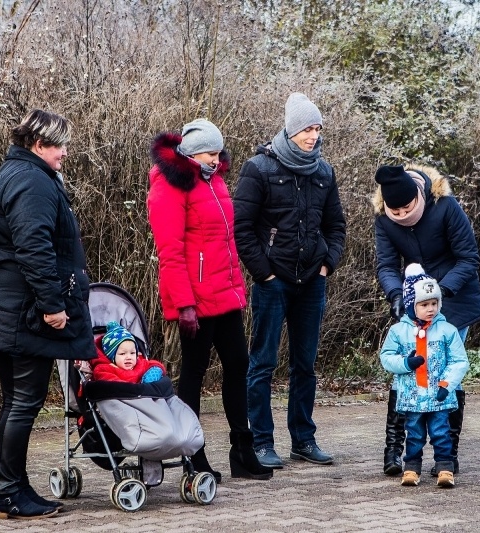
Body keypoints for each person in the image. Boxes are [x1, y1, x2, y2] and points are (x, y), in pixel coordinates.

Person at [0, 109, 96, 520]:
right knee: (24, 401)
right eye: (60, 145)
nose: (65, 153)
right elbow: (34, 247)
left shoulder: (20, 173)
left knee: (17, 401)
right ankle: (8, 492)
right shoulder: (32, 180)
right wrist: (53, 306)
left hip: (12, 305)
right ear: (39, 144)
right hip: (24, 310)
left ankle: (11, 489)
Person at [146, 118, 273, 482]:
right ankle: (193, 456)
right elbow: (170, 252)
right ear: (189, 152)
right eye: (208, 153)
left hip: (225, 294)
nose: (216, 160)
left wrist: (237, 288)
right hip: (195, 301)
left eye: (218, 153)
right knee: (194, 374)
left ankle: (243, 451)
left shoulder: (214, 181)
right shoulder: (169, 186)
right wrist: (184, 304)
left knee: (238, 365)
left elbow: (225, 242)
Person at [233, 93, 347, 468]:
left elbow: (336, 225)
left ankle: (304, 438)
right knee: (262, 363)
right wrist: (263, 272)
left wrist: (327, 264)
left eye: (316, 129)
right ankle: (262, 443)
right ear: (290, 129)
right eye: (306, 129)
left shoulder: (324, 172)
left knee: (305, 365)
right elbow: (242, 229)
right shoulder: (259, 168)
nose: (312, 136)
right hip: (272, 282)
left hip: (312, 280)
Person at [373, 164, 480, 477]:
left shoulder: (445, 207)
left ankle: (447, 454)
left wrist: (442, 291)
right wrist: (397, 296)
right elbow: (385, 265)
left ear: (419, 196)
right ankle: (394, 451)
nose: (400, 214)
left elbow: (468, 258)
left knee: (447, 371)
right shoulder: (384, 220)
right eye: (393, 209)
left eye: (407, 208)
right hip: (412, 303)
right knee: (406, 369)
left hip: (453, 298)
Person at [379, 263, 469, 488]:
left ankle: (445, 468)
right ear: (411, 305)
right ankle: (411, 468)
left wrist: (446, 385)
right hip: (412, 398)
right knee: (415, 434)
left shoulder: (447, 330)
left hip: (439, 397)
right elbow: (387, 357)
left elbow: (459, 361)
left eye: (434, 303)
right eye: (424, 304)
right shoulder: (398, 331)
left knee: (441, 433)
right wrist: (405, 363)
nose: (430, 308)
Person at [90, 321, 166, 384]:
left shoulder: (140, 364)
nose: (129, 357)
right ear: (111, 356)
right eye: (122, 354)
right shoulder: (105, 369)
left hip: (143, 397)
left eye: (132, 353)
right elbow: (111, 384)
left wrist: (154, 372)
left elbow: (154, 364)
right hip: (121, 399)